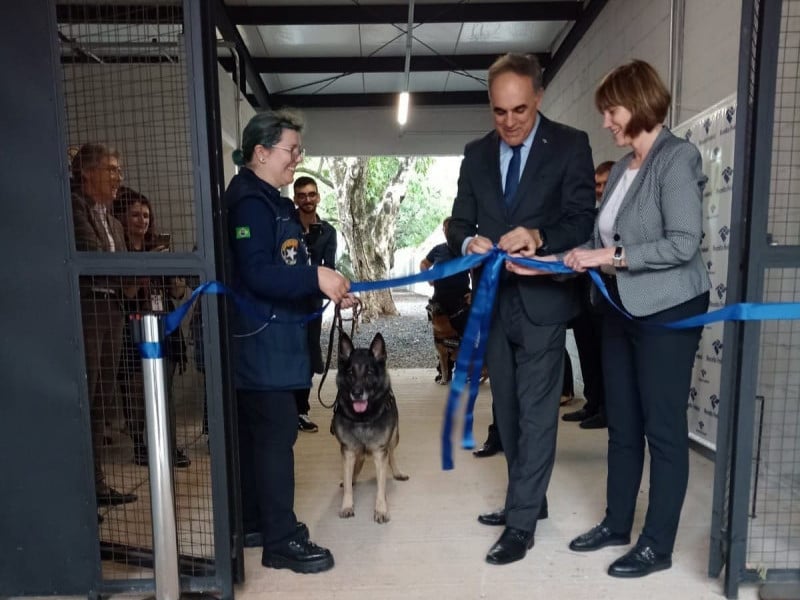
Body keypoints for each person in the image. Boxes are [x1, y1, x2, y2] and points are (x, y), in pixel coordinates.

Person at [557, 59, 709, 578]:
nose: (606, 122)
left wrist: (611, 259)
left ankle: (657, 545)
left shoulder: (677, 158)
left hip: (669, 308)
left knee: (663, 429)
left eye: (612, 110)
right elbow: (602, 243)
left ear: (641, 104)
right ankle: (617, 523)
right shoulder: (624, 167)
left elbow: (685, 243)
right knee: (622, 424)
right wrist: (551, 256)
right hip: (621, 308)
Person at [446, 53, 596, 565]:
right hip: (492, 301)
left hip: (544, 303)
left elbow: (582, 222)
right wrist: (469, 242)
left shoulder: (571, 146)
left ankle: (522, 523)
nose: (509, 122)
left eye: (520, 111)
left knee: (536, 413)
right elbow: (457, 220)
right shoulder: (475, 153)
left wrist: (539, 235)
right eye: (499, 112)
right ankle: (528, 498)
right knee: (506, 411)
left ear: (539, 98)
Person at [226, 109, 354, 574]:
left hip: (277, 340)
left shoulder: (270, 200)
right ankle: (281, 538)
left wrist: (324, 285)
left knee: (264, 437)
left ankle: (256, 522)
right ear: (261, 153)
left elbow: (288, 266)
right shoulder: (248, 203)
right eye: (291, 149)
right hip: (259, 344)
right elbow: (259, 272)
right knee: (275, 436)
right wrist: (315, 275)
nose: (297, 158)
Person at [71, 143, 138, 508]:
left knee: (102, 401)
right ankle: (78, 485)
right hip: (85, 310)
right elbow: (93, 258)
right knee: (84, 396)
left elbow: (125, 273)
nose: (118, 177)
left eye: (118, 169)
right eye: (111, 169)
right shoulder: (73, 207)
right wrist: (130, 269)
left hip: (112, 309)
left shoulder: (113, 220)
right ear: (87, 173)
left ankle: (96, 483)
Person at [111, 187, 190, 469]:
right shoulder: (117, 250)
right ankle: (140, 445)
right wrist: (144, 271)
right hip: (131, 331)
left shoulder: (158, 247)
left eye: (145, 215)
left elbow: (178, 293)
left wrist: (169, 271)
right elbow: (126, 295)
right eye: (135, 214)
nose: (141, 220)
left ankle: (168, 445)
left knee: (164, 392)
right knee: (135, 392)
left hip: (163, 327)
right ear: (122, 217)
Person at [562, 160, 615, 429]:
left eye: (606, 183)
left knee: (608, 357)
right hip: (585, 295)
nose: (601, 189)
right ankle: (592, 404)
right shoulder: (590, 217)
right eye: (597, 184)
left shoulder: (621, 216)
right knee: (588, 352)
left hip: (611, 298)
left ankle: (608, 409)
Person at [292, 175, 337, 434]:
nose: (307, 199)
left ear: (318, 197)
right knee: (288, 352)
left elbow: (328, 268)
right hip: (287, 302)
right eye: (302, 195)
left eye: (311, 194)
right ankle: (289, 408)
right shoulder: (288, 227)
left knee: (309, 354)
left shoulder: (328, 232)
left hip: (311, 304)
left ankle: (302, 409)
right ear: (296, 199)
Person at [420, 217, 472, 382]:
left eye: (449, 229)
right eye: (445, 229)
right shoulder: (438, 249)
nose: (446, 232)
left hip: (461, 302)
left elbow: (476, 273)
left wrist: (475, 293)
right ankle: (444, 372)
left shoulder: (466, 251)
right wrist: (428, 277)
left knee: (463, 338)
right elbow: (424, 263)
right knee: (442, 340)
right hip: (440, 303)